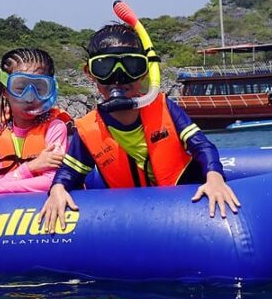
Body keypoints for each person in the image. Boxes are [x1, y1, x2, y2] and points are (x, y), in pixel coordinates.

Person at [40, 21, 240, 232]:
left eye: (131, 65)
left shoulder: (164, 108)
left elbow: (203, 146)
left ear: (144, 71)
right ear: (89, 72)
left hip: (186, 207)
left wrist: (214, 178)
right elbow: (69, 172)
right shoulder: (89, 128)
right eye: (105, 67)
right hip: (132, 219)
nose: (118, 77)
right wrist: (58, 189)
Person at [0, 48, 70, 195]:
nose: (30, 97)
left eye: (40, 88)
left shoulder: (55, 127)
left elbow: (53, 180)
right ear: (5, 91)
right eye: (19, 88)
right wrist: (31, 167)